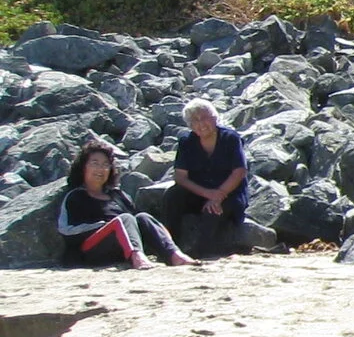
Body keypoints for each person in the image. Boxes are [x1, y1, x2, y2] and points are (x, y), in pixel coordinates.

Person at [57, 140, 192, 268]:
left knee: (143, 217)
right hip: (91, 250)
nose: (100, 169)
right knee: (125, 219)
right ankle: (137, 257)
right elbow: (67, 231)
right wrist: (105, 225)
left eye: (105, 165)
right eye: (95, 163)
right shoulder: (75, 197)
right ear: (83, 167)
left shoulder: (117, 195)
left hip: (122, 246)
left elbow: (136, 222)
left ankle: (175, 255)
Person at [167, 99, 247, 257]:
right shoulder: (187, 142)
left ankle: (202, 252)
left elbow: (239, 171)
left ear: (214, 118)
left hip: (229, 193)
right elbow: (181, 177)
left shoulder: (230, 139)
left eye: (204, 118)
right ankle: (170, 247)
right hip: (200, 193)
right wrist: (207, 194)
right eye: (195, 120)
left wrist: (218, 195)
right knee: (172, 196)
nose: (201, 124)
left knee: (213, 211)